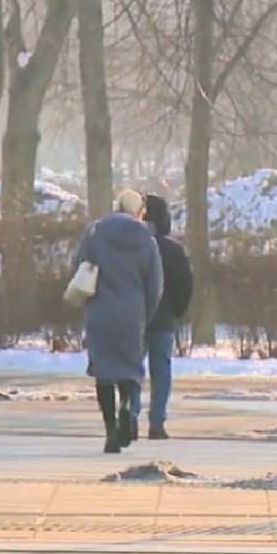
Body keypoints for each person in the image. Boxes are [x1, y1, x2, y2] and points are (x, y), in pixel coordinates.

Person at [72, 189, 163, 454]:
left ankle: (111, 432)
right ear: (139, 211)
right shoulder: (148, 240)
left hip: (99, 310)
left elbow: (78, 265)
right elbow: (155, 284)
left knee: (103, 373)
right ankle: (126, 407)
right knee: (129, 369)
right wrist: (147, 313)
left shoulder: (95, 232)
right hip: (132, 313)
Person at [129, 194, 193, 440]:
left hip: (134, 317)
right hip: (164, 318)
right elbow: (185, 285)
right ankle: (157, 423)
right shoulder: (173, 249)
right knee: (161, 371)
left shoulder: (132, 246)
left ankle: (130, 416)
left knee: (132, 369)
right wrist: (176, 310)